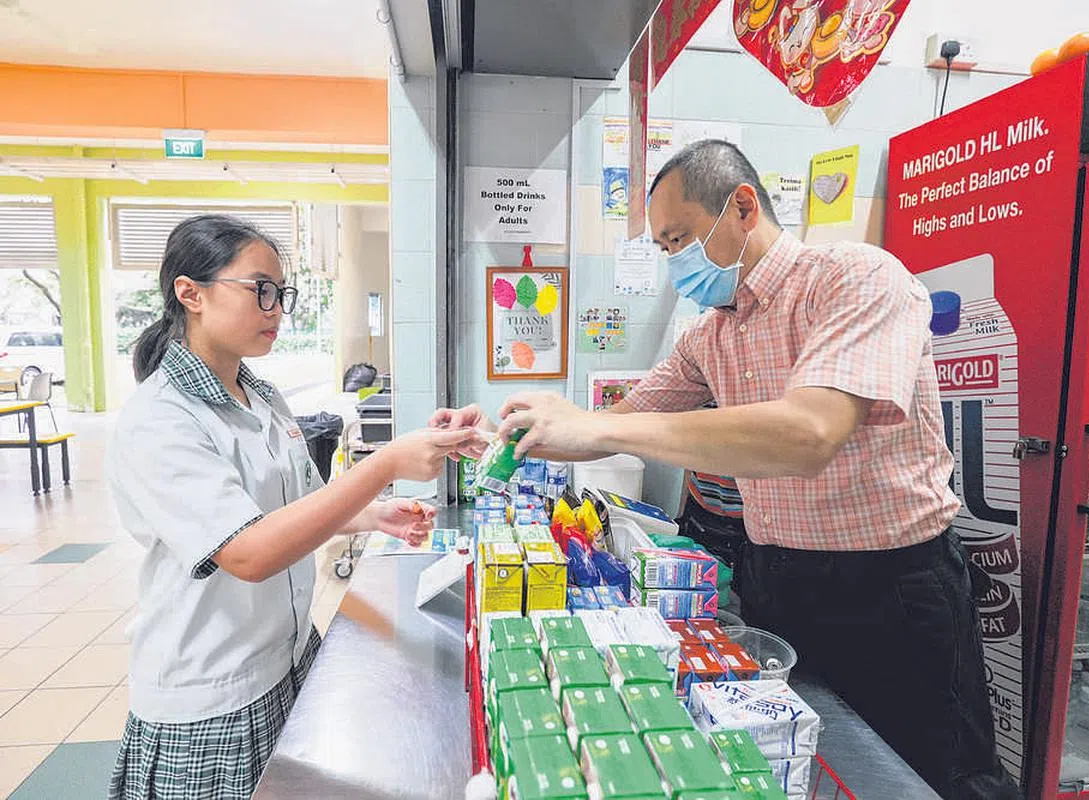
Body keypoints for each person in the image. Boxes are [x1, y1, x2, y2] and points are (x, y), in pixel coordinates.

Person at [433, 140, 1019, 800]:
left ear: (742, 206)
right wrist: (509, 438)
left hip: (895, 588)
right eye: (661, 246)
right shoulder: (709, 334)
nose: (672, 262)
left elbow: (810, 432)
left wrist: (596, 424)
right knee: (801, 767)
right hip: (780, 579)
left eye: (679, 238)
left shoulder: (855, 278)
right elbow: (622, 422)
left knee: (930, 777)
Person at [107, 215, 480, 800]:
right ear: (190, 293)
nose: (277, 309)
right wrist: (385, 465)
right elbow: (250, 552)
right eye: (261, 290)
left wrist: (375, 514)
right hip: (213, 691)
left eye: (282, 293)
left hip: (286, 658)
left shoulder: (259, 393)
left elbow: (302, 503)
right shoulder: (162, 418)